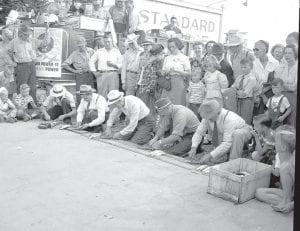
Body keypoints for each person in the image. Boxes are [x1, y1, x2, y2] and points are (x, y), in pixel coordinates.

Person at [188, 99, 252, 164]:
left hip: (242, 134)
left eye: (210, 119)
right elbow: (199, 133)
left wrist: (210, 155)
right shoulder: (208, 117)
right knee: (213, 159)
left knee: (237, 134)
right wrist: (194, 147)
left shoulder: (230, 119)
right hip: (227, 137)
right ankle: (228, 153)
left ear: (218, 113)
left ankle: (234, 161)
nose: (209, 120)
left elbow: (227, 143)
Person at [255, 126, 295, 214]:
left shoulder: (291, 163)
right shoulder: (281, 157)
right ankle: (285, 202)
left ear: (284, 148)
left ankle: (287, 202)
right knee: (258, 192)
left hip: (291, 197)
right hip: (288, 194)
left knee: (285, 167)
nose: (274, 144)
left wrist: (292, 205)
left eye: (276, 143)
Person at [62, 37, 95, 105]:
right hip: (80, 76)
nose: (80, 47)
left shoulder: (91, 51)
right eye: (79, 46)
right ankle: (80, 109)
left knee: (91, 93)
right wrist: (74, 71)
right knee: (81, 94)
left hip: (90, 75)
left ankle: (92, 109)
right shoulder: (74, 54)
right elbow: (64, 64)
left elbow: (97, 61)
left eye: (82, 45)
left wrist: (93, 69)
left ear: (85, 43)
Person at [9, 24, 37, 101]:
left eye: (28, 34)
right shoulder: (13, 42)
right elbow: (8, 54)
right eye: (25, 34)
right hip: (21, 66)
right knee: (22, 86)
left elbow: (45, 43)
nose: (27, 36)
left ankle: (31, 105)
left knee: (32, 86)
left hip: (31, 64)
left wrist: (47, 29)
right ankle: (20, 105)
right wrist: (12, 63)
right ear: (20, 33)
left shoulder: (31, 41)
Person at [136, 44, 165, 116]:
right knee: (149, 105)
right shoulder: (152, 61)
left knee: (151, 106)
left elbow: (155, 76)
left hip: (155, 87)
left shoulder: (160, 61)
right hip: (149, 87)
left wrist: (150, 88)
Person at [161, 38, 191, 105]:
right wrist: (166, 72)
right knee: (166, 104)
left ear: (178, 46)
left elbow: (189, 74)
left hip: (178, 82)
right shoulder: (167, 58)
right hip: (167, 83)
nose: (171, 49)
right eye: (169, 47)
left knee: (177, 103)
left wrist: (177, 71)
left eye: (173, 47)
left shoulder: (185, 58)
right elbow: (162, 72)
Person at [252, 40, 279, 116]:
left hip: (272, 95)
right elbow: (253, 82)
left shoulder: (275, 63)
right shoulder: (254, 64)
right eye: (253, 49)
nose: (254, 51)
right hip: (257, 96)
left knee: (270, 120)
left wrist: (264, 92)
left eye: (257, 49)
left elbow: (277, 82)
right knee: (258, 120)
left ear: (264, 50)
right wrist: (261, 94)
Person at [274, 44, 297, 127]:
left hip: (293, 98)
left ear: (295, 54)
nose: (287, 55)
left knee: (291, 122)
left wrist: (282, 84)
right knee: (279, 122)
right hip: (280, 97)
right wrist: (284, 85)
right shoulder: (280, 67)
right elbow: (276, 83)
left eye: (289, 53)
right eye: (285, 53)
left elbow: (294, 87)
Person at [232, 58, 257, 125]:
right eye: (242, 67)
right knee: (237, 118)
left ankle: (246, 133)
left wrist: (236, 91)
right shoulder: (239, 77)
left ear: (251, 67)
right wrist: (237, 91)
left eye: (245, 67)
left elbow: (244, 94)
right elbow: (232, 88)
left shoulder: (252, 79)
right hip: (238, 100)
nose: (243, 69)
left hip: (247, 101)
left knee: (245, 119)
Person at [0, 28, 15, 94]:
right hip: (0, 67)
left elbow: (14, 57)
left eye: (2, 34)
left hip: (7, 68)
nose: (1, 36)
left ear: (7, 36)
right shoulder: (0, 44)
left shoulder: (11, 45)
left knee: (5, 86)